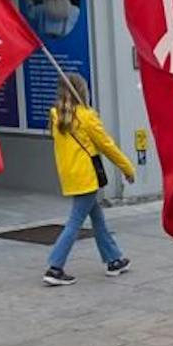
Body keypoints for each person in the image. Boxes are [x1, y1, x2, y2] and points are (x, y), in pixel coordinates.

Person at [43, 74, 134, 286]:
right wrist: (127, 168)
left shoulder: (56, 116)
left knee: (97, 218)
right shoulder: (86, 116)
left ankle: (114, 260)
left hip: (70, 176)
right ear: (82, 90)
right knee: (75, 222)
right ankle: (55, 267)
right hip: (87, 176)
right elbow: (107, 145)